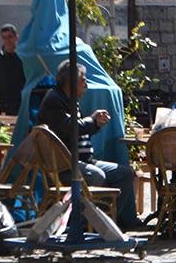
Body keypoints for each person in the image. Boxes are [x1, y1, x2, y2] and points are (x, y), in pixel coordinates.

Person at [38, 59, 140, 231]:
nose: (86, 83)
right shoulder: (55, 100)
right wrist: (92, 120)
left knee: (125, 174)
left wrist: (96, 124)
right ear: (70, 82)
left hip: (83, 160)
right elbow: (70, 127)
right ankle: (86, 224)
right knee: (96, 176)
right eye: (83, 79)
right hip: (64, 165)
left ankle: (108, 222)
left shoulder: (70, 100)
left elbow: (78, 129)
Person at [0, 24, 25, 115]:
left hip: (20, 104)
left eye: (10, 37)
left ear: (16, 37)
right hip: (0, 104)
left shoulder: (23, 58)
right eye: (4, 37)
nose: (7, 40)